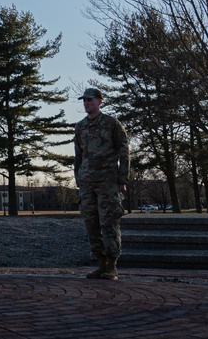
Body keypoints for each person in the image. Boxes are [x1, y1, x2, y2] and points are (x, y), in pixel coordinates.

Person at [74, 87, 129, 280]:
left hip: (107, 182)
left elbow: (124, 151)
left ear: (100, 101)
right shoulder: (80, 127)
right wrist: (78, 179)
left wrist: (123, 179)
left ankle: (112, 265)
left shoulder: (111, 124)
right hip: (87, 182)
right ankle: (101, 263)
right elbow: (78, 155)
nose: (86, 103)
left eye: (90, 100)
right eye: (85, 100)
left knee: (109, 223)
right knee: (91, 223)